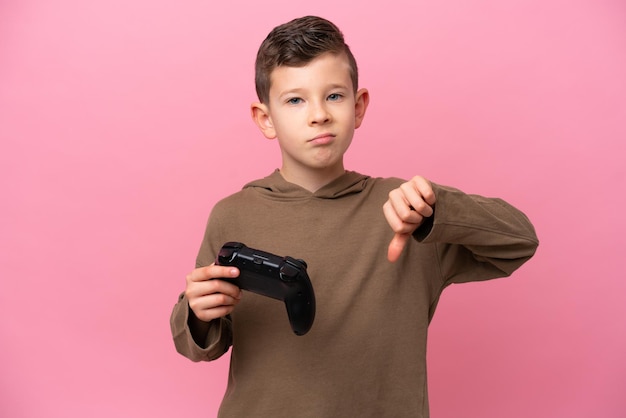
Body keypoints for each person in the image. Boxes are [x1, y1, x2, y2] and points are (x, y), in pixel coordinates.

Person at [170, 15, 538, 418]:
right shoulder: (232, 215)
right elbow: (196, 345)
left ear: (359, 106)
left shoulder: (407, 211)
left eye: (334, 96)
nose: (319, 115)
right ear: (265, 119)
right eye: (295, 100)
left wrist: (438, 209)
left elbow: (520, 241)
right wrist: (198, 310)